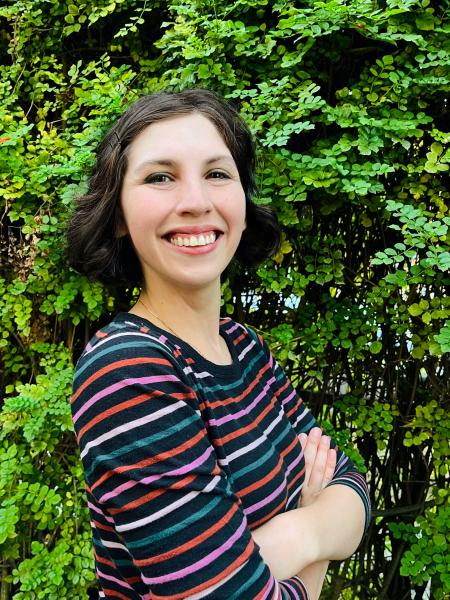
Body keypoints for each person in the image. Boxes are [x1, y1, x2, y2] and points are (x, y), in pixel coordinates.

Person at [67, 89, 371, 600]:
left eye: (217, 174)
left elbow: (354, 490)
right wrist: (315, 537)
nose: (195, 202)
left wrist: (296, 535)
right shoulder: (127, 372)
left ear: (243, 204)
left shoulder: (245, 349)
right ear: (117, 215)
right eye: (160, 177)